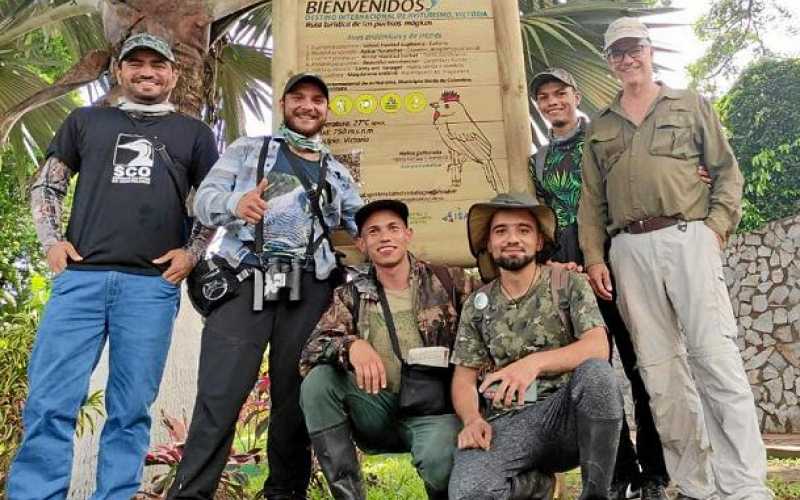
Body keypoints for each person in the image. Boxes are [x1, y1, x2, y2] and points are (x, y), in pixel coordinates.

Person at [8, 33, 219, 499]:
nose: (148, 72)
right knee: (50, 402)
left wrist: (192, 253)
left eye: (158, 64)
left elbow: (212, 205)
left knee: (130, 411)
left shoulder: (195, 134)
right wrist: (51, 242)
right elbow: (48, 185)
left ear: (174, 74)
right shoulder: (86, 121)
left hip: (149, 288)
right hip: (79, 282)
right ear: (119, 72)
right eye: (136, 64)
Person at [578, 17, 772, 500]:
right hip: (628, 250)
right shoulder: (600, 125)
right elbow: (590, 201)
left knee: (715, 357)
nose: (628, 59)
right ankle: (694, 483)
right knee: (659, 371)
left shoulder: (690, 104)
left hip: (688, 237)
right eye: (618, 52)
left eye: (634, 48)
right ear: (610, 61)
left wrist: (715, 229)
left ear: (649, 51)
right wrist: (595, 257)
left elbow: (726, 169)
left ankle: (745, 484)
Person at [167, 73, 362, 500]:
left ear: (326, 110)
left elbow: (361, 225)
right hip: (245, 279)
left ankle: (285, 494)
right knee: (219, 397)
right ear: (285, 105)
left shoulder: (337, 172)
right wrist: (234, 203)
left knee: (293, 402)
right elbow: (202, 201)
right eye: (299, 98)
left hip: (310, 287)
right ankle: (190, 494)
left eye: (317, 100)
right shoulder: (248, 151)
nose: (308, 106)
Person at [529, 68, 669, 499]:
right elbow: (545, 221)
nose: (553, 102)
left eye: (560, 93)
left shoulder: (604, 138)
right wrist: (556, 266)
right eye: (545, 97)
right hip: (570, 276)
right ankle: (620, 470)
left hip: (618, 261)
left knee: (641, 364)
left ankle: (656, 473)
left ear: (576, 94)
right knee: (595, 374)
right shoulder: (538, 160)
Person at [298, 199, 478, 500]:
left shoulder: (450, 280)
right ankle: (348, 495)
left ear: (408, 234)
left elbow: (499, 302)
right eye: (374, 232)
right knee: (318, 383)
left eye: (393, 228)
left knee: (440, 464)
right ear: (362, 243)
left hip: (435, 411)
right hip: (377, 410)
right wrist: (352, 345)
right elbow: (311, 350)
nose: (385, 237)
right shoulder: (351, 294)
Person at [449, 192, 623, 500]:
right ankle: (538, 485)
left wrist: (533, 364)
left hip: (567, 414)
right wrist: (472, 419)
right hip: (509, 419)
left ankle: (597, 494)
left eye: (523, 230)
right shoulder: (478, 304)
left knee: (598, 376)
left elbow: (598, 347)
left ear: (539, 242)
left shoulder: (568, 283)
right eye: (500, 231)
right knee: (468, 492)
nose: (512, 238)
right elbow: (464, 378)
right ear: (489, 244)